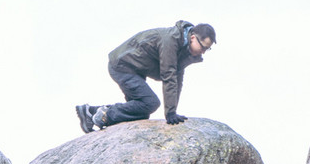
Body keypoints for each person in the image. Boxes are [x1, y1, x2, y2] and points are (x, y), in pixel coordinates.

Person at [76, 20, 216, 133]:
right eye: (203, 47)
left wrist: (173, 111)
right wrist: (170, 113)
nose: (203, 52)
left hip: (135, 70)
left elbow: (177, 80)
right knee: (150, 103)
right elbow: (169, 77)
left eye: (207, 49)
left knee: (141, 112)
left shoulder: (184, 50)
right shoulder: (171, 41)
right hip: (122, 66)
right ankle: (103, 116)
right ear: (193, 38)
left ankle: (90, 112)